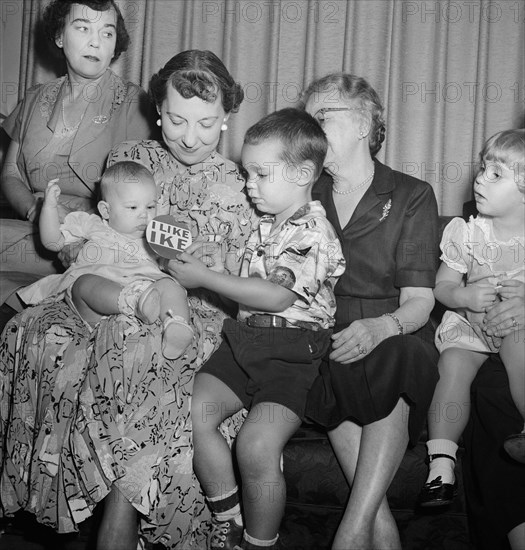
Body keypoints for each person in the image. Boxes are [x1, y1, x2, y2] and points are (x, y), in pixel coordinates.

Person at [0, 50, 255, 550]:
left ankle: (123, 506)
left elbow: (244, 291)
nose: (189, 136)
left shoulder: (241, 187)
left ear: (225, 120)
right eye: (176, 119)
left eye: (205, 124)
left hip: (190, 313)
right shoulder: (128, 160)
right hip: (109, 291)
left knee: (137, 350)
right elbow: (85, 239)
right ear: (158, 111)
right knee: (33, 329)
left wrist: (210, 270)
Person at [169, 108, 345, 550]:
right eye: (247, 173)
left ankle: (259, 541)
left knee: (256, 446)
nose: (249, 185)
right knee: (196, 411)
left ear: (304, 173)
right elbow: (248, 294)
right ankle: (226, 514)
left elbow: (278, 297)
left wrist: (208, 279)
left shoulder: (313, 231)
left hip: (291, 353)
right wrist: (221, 265)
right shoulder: (264, 227)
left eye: (260, 174)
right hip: (243, 342)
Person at [300, 73, 440, 550]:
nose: (311, 127)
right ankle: (373, 529)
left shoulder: (411, 194)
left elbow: (420, 302)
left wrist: (381, 327)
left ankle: (350, 532)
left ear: (364, 124)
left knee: (396, 354)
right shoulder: (302, 192)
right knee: (327, 354)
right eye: (308, 118)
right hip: (324, 330)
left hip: (394, 328)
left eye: (324, 115)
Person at [0, 0, 153, 310]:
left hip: (97, 243)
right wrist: (36, 212)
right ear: (59, 36)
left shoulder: (134, 104)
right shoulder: (35, 97)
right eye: (83, 28)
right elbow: (11, 173)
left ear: (114, 48)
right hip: (35, 228)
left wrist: (77, 237)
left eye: (107, 33)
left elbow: (137, 204)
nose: (96, 41)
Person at [417, 129, 525, 511]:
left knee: (520, 348)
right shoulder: (468, 232)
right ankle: (442, 462)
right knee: (452, 366)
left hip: (515, 329)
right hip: (469, 325)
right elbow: (442, 286)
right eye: (483, 168)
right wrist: (463, 296)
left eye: (496, 174)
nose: (479, 178)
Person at [17, 162, 193, 359]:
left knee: (170, 286)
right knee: (84, 283)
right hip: (97, 304)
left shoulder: (154, 239)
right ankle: (132, 300)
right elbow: (52, 242)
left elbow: (176, 265)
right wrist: (48, 208)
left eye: (151, 206)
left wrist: (182, 253)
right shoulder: (91, 225)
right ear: (106, 211)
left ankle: (177, 326)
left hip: (146, 292)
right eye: (133, 207)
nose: (145, 214)